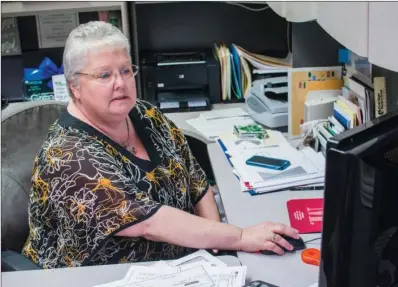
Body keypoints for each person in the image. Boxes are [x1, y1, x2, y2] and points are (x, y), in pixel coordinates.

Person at [22, 21, 300, 269]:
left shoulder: (144, 113)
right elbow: (150, 223)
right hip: (99, 280)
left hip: (181, 265)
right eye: (104, 75)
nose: (120, 83)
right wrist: (239, 237)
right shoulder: (69, 155)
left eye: (126, 70)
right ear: (74, 87)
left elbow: (193, 178)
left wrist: (217, 247)